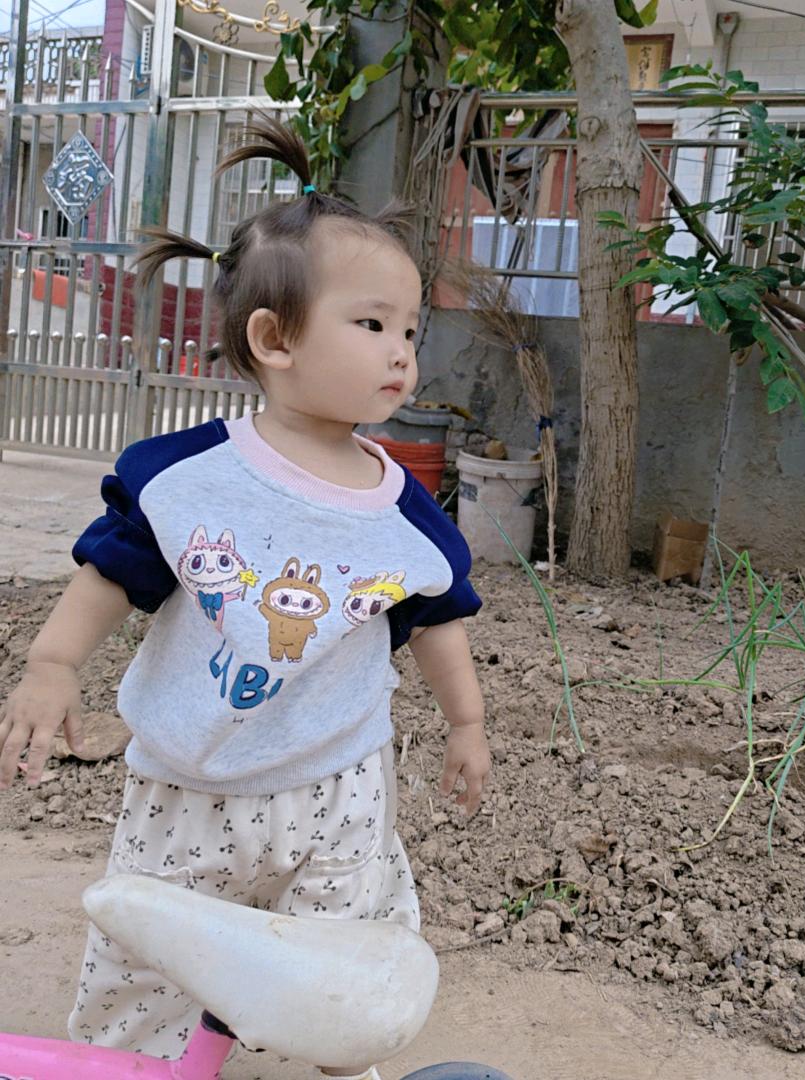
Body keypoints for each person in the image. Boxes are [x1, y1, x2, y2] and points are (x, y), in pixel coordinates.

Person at [0, 114, 490, 1080]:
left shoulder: (406, 509)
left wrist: (466, 721)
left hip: (339, 788)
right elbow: (111, 574)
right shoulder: (189, 479)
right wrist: (52, 667)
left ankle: (334, 1058)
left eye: (410, 330)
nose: (402, 353)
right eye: (373, 324)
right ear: (274, 338)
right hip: (192, 788)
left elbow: (439, 616)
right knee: (151, 963)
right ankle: (134, 1068)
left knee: (341, 966)